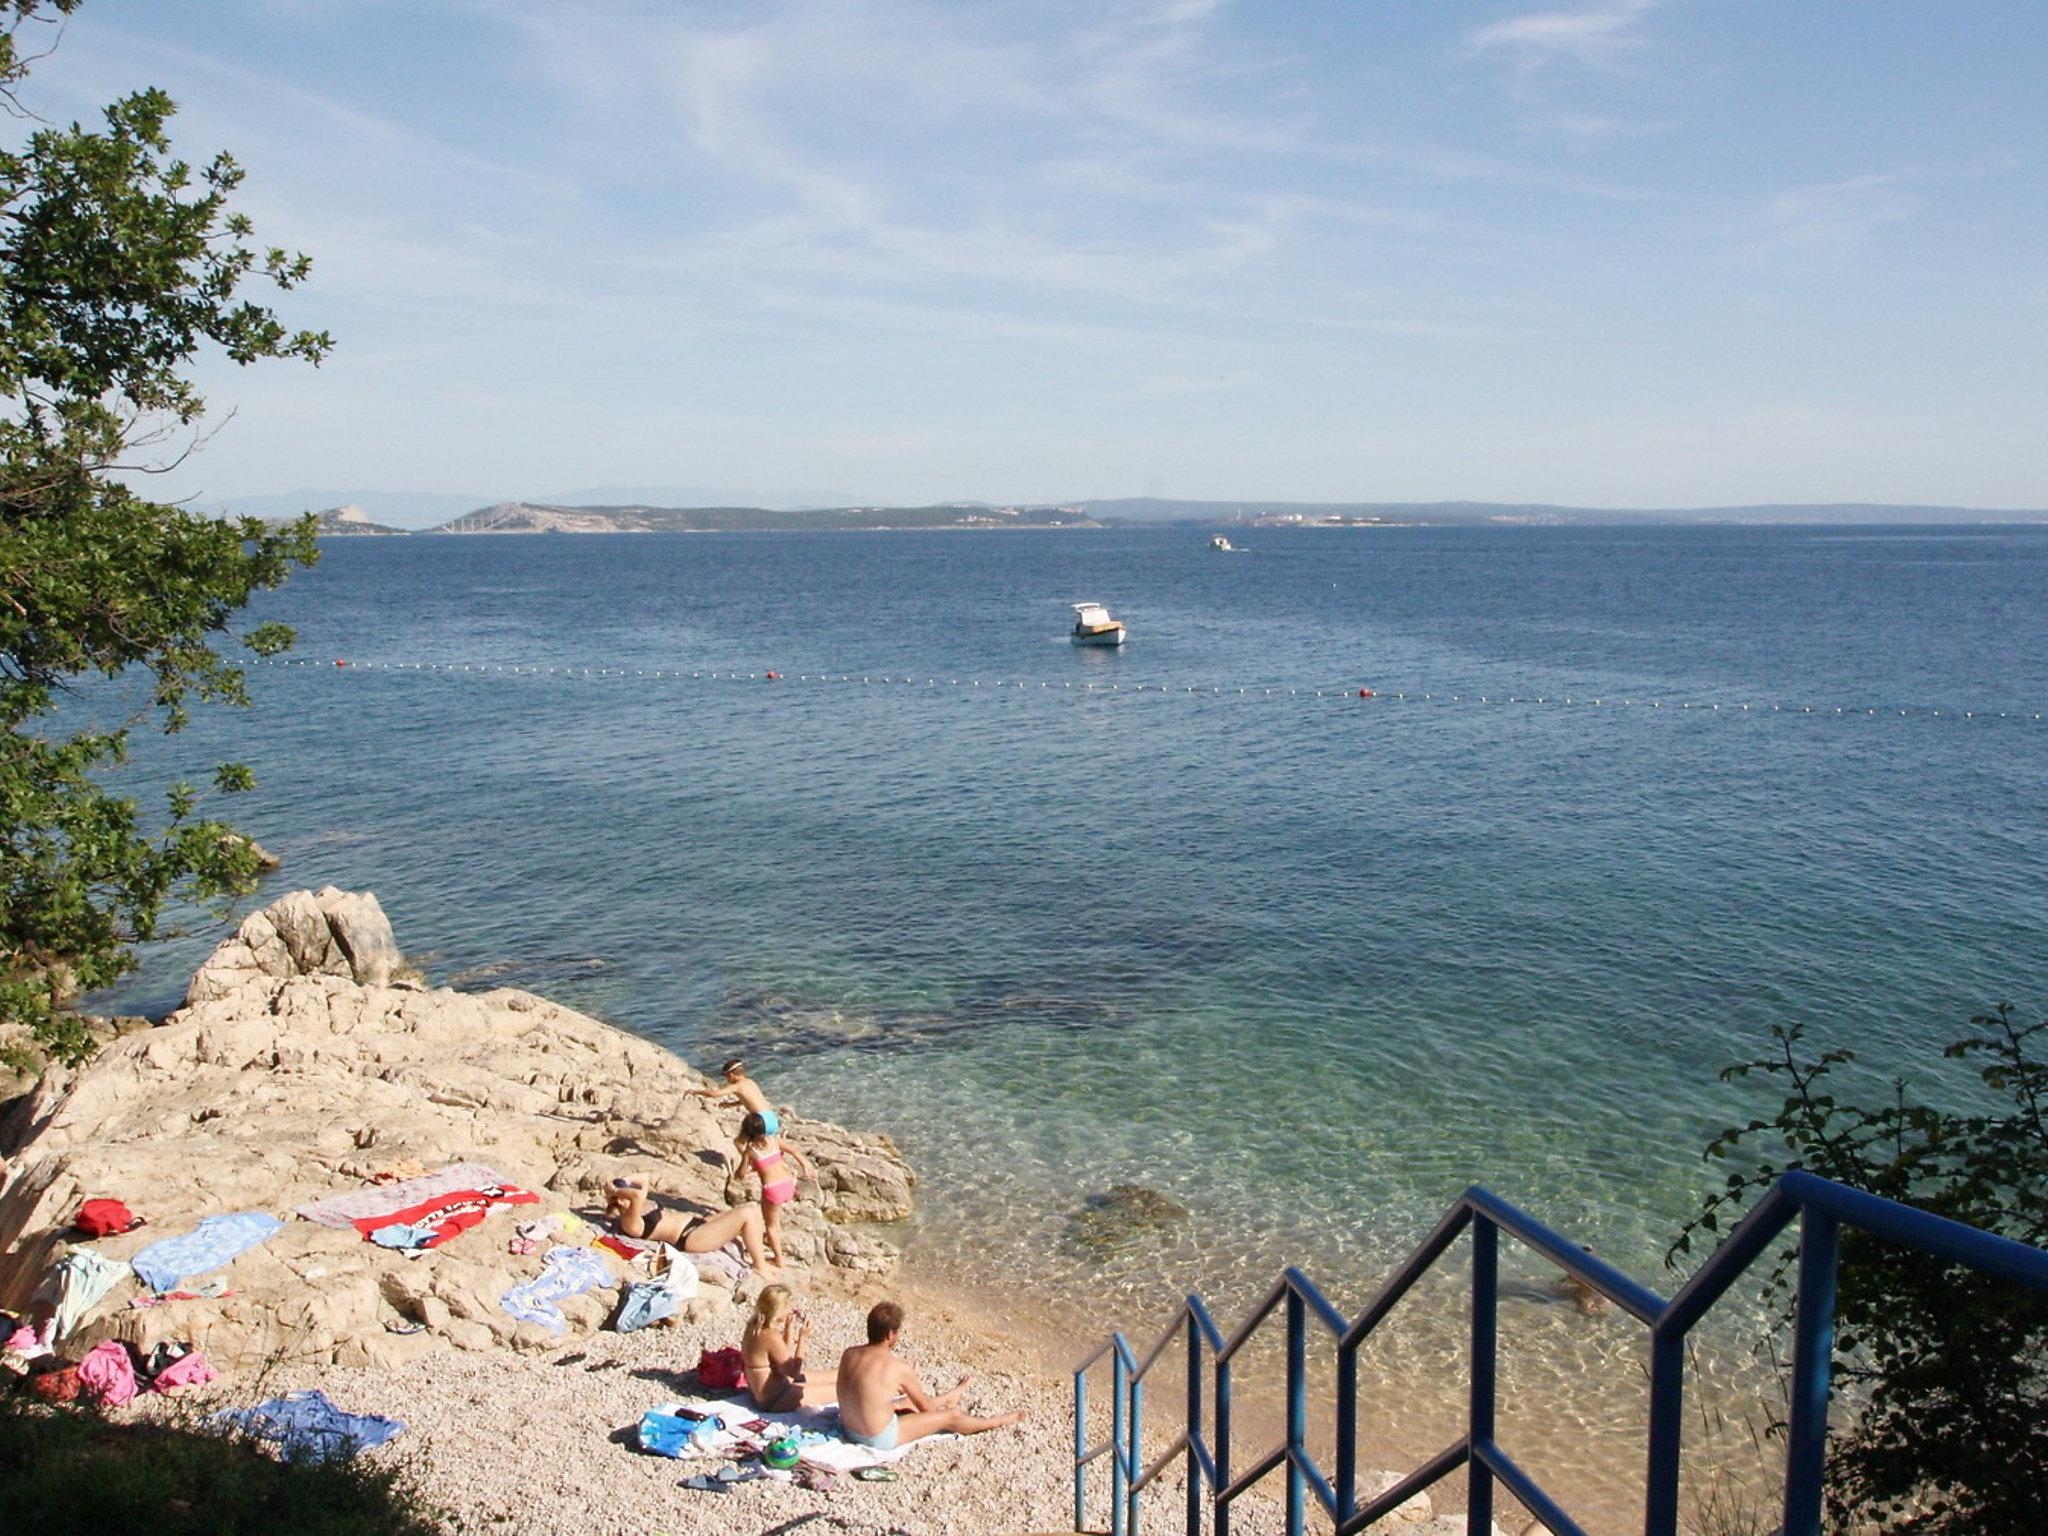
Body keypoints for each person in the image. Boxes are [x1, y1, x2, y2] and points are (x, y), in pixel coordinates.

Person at [836, 1300, 1025, 1451]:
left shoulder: (849, 1353)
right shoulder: (897, 1367)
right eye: (898, 1331)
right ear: (890, 1334)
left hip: (849, 1429)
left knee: (901, 1403)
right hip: (877, 1438)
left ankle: (949, 1396)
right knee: (950, 1416)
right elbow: (925, 1408)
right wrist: (939, 1418)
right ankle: (996, 1422)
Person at [604, 1177, 780, 1279]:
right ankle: (759, 1265)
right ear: (619, 1200)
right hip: (691, 1238)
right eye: (622, 1196)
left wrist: (623, 1180)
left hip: (697, 1224)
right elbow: (637, 1194)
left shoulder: (636, 1212)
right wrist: (614, 1189)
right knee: (746, 1215)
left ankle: (758, 1255)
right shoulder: (631, 1223)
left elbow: (644, 1179)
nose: (626, 1196)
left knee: (752, 1207)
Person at [741, 1284, 835, 1410]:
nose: (791, 1309)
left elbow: (783, 1354)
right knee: (839, 1388)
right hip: (775, 1400)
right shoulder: (770, 1336)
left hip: (767, 1394)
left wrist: (788, 1326)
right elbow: (794, 1372)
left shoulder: (754, 1327)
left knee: (837, 1374)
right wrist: (803, 1338)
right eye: (788, 1306)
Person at [735, 1111, 813, 1263]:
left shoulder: (750, 1151)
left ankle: (779, 1260)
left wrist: (742, 1169)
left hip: (773, 1189)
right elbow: (794, 1150)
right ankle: (768, 1240)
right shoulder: (773, 1140)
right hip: (788, 1184)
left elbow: (741, 1175)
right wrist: (806, 1165)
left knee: (771, 1226)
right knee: (774, 1220)